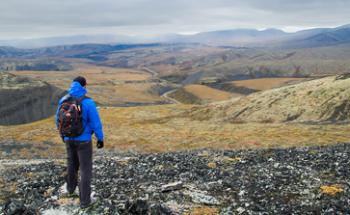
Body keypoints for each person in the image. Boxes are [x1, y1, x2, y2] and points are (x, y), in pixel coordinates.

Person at [56, 76, 104, 210]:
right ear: (84, 86)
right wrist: (100, 139)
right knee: (85, 169)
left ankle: (70, 191)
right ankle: (85, 202)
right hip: (83, 141)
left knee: (71, 164)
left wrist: (63, 135)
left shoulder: (64, 99)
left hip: (68, 139)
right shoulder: (88, 102)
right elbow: (96, 123)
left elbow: (57, 119)